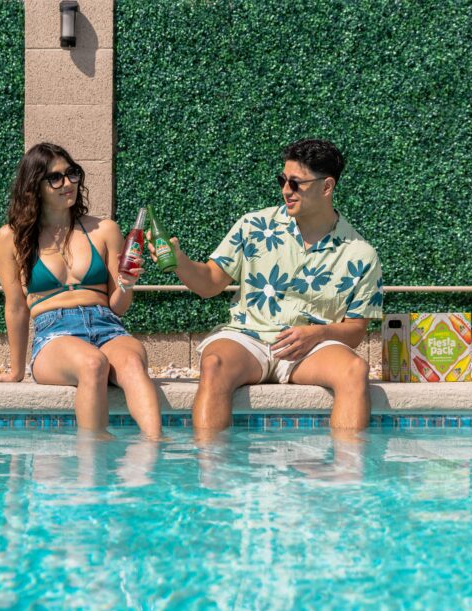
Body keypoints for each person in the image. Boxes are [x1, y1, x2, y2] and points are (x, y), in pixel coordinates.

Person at [150, 139, 382, 441]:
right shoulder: (254, 225)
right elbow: (209, 284)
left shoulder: (360, 254)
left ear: (327, 187)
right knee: (214, 363)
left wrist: (319, 333)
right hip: (249, 338)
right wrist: (180, 263)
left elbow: (356, 330)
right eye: (282, 180)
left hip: (311, 348)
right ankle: (210, 473)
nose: (286, 190)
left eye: (296, 183)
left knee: (354, 370)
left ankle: (345, 478)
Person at [0, 142, 163, 439]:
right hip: (55, 334)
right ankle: (94, 458)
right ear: (34, 186)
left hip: (108, 325)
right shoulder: (11, 238)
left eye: (72, 173)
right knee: (93, 363)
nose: (67, 183)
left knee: (132, 362)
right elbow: (16, 306)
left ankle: (157, 449)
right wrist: (16, 371)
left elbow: (117, 306)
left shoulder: (104, 230)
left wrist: (126, 285)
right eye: (55, 178)